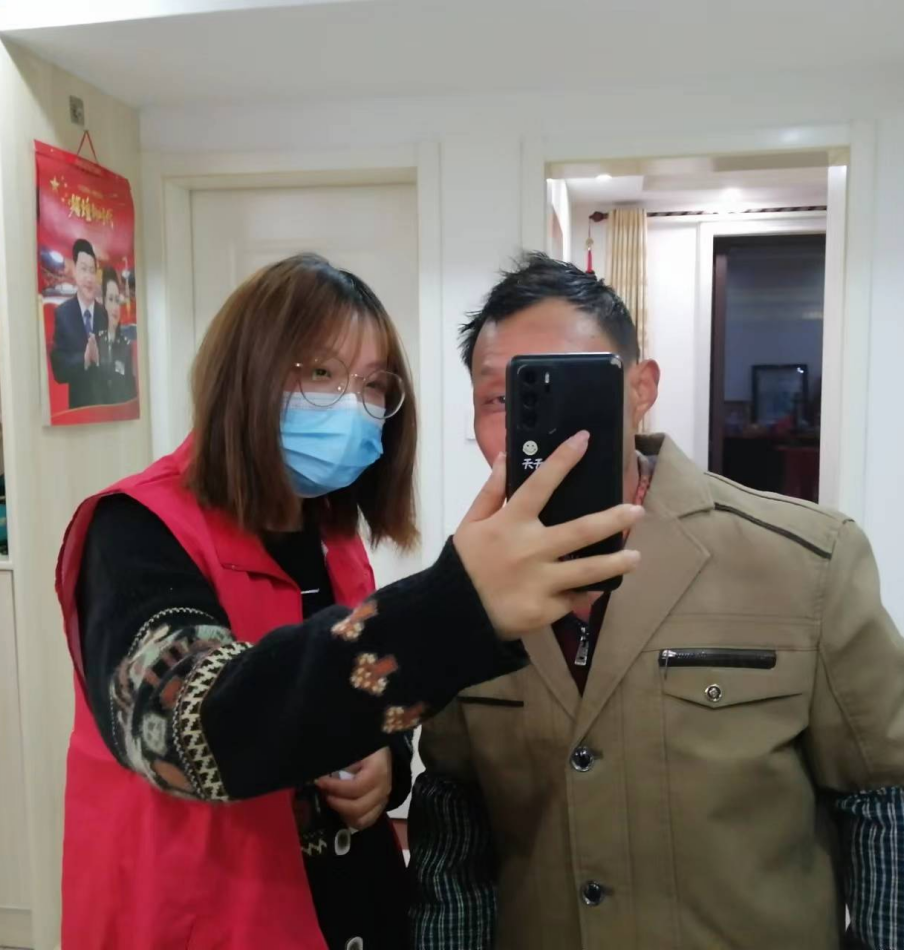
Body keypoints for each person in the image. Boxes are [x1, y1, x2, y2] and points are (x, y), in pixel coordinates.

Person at [54, 253, 643, 950]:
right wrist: (458, 604)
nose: (350, 406)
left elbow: (349, 689)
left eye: (373, 386)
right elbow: (187, 730)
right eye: (318, 374)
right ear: (244, 375)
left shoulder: (333, 536)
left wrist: (384, 765)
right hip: (202, 918)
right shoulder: (133, 530)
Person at [408, 253, 904, 950]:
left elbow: (901, 804)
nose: (540, 428)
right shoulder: (460, 592)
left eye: (577, 387)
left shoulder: (806, 561)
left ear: (640, 388)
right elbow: (453, 824)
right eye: (505, 399)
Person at [50, 238, 103, 408]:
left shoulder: (105, 315)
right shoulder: (63, 314)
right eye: (83, 269)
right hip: (79, 408)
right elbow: (59, 370)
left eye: (92, 271)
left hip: (107, 405)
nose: (88, 277)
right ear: (74, 271)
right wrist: (84, 358)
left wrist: (101, 359)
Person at [92, 265, 136, 405]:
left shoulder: (126, 346)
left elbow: (131, 391)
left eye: (117, 300)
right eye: (110, 299)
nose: (115, 307)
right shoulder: (94, 343)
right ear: (103, 302)